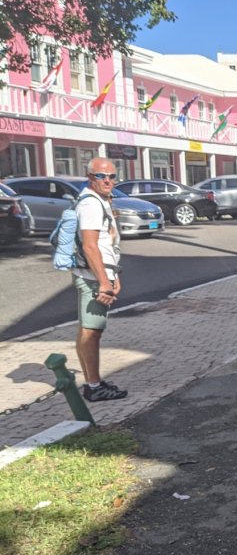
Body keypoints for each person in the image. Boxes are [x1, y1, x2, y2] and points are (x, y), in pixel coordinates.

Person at [73, 157, 127, 402]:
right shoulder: (91, 205)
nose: (108, 180)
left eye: (112, 176)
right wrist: (104, 282)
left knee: (89, 330)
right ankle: (94, 387)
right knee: (91, 331)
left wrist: (114, 275)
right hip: (94, 277)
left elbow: (106, 244)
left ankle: (92, 382)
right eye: (101, 176)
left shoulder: (99, 200)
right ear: (90, 177)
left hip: (99, 274)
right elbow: (90, 246)